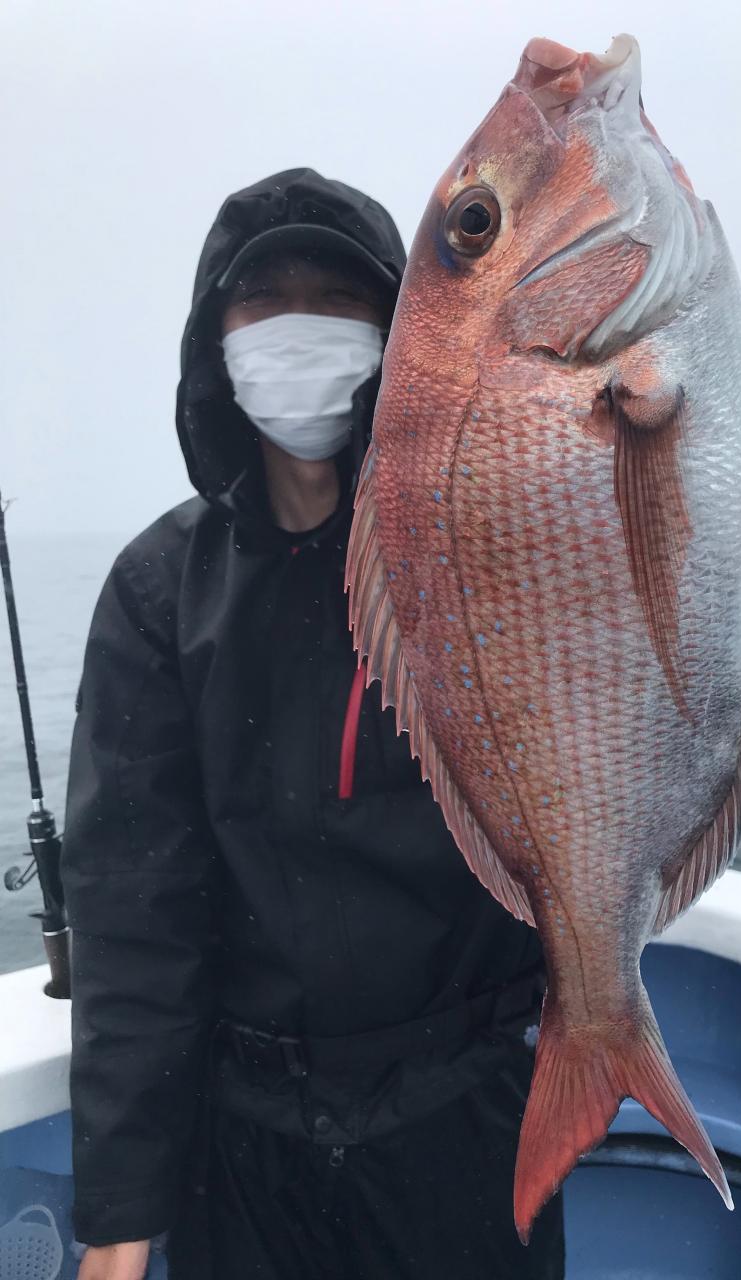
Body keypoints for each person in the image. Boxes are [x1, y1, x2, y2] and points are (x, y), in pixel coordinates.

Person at [61, 168, 565, 1280]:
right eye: (263, 301)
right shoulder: (160, 591)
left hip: (468, 1118)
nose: (298, 329)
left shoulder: (486, 553)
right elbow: (136, 918)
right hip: (242, 1143)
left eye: (337, 303)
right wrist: (120, 1216)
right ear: (215, 341)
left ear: (399, 332)